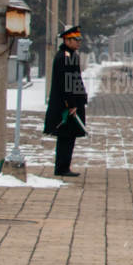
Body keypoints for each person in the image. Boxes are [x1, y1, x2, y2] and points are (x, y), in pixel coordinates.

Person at [44, 24, 88, 177]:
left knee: (69, 136)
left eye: (79, 40)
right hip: (66, 105)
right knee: (66, 136)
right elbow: (66, 83)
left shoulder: (69, 55)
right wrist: (72, 104)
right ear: (67, 41)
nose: (78, 42)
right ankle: (62, 168)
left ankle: (64, 166)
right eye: (76, 40)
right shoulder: (65, 57)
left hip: (69, 103)